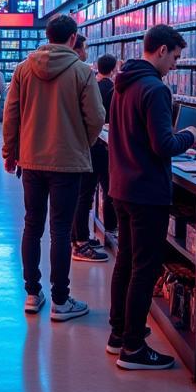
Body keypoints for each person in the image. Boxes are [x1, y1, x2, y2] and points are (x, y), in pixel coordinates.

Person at [107, 25, 196, 370]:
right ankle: (133, 348)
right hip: (146, 191)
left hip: (121, 186)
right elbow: (164, 145)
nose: (175, 65)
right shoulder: (155, 89)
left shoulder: (123, 82)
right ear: (161, 50)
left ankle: (119, 333)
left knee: (126, 262)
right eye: (175, 57)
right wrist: (190, 136)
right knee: (144, 269)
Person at [2, 14, 106, 322]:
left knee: (32, 225)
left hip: (31, 161)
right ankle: (61, 300)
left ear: (47, 36)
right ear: (73, 38)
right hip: (68, 163)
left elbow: (11, 115)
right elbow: (96, 118)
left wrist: (11, 151)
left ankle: (33, 294)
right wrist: (81, 143)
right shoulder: (82, 72)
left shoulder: (23, 69)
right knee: (61, 229)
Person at [71, 53, 118, 262]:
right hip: (102, 146)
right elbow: (103, 117)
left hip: (87, 145)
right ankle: (108, 230)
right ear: (114, 69)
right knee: (108, 189)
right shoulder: (112, 89)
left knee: (84, 193)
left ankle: (80, 237)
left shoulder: (89, 84)